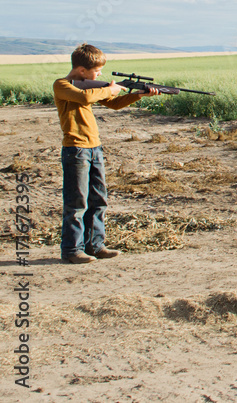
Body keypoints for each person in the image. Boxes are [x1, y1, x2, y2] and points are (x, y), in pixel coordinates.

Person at [53, 44, 160, 264]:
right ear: (82, 71)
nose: (100, 74)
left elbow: (114, 104)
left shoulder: (91, 90)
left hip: (95, 148)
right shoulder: (62, 85)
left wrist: (137, 95)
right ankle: (72, 250)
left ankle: (95, 245)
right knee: (76, 203)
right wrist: (111, 89)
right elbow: (85, 98)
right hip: (76, 149)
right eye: (97, 71)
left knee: (98, 200)